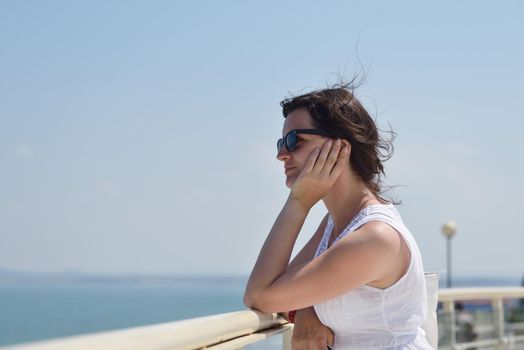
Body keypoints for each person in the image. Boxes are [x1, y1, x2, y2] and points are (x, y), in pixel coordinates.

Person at [243, 82, 432, 349]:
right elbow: (281, 287)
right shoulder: (337, 222)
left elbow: (260, 296)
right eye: (281, 142)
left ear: (340, 148)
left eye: (294, 140)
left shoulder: (374, 237)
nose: (281, 154)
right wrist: (306, 310)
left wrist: (299, 203)